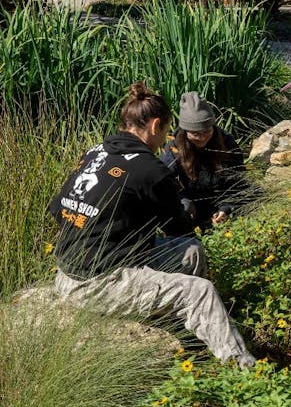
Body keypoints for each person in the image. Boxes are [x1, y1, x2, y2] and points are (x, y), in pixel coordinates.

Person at [48, 82, 256, 367]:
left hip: (70, 269)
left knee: (191, 251)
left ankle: (191, 342)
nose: (166, 138)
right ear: (156, 125)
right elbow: (178, 228)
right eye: (167, 129)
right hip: (96, 283)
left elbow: (57, 210)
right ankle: (244, 370)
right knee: (200, 291)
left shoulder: (95, 152)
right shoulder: (150, 168)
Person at [160, 92, 252, 228]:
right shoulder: (173, 148)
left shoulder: (226, 141)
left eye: (207, 131)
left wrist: (226, 208)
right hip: (192, 208)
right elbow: (164, 185)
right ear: (186, 132)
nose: (202, 138)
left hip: (224, 201)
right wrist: (184, 201)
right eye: (196, 134)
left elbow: (238, 180)